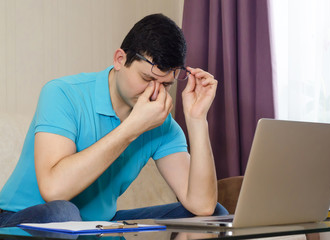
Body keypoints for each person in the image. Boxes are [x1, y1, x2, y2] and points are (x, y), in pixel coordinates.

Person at [0, 13, 228, 227]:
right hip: (20, 220)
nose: (156, 93)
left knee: (213, 216)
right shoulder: (62, 94)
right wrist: (132, 128)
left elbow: (203, 205)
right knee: (62, 213)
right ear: (120, 59)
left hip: (97, 226)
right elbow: (54, 190)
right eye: (147, 78)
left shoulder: (161, 123)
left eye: (166, 84)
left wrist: (197, 119)